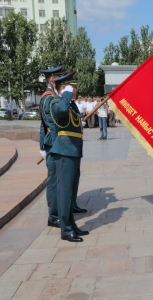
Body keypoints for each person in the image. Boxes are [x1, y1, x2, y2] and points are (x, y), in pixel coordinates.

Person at [49, 71, 89, 242]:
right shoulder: (56, 101)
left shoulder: (70, 104)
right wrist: (65, 94)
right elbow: (60, 112)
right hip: (64, 152)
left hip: (73, 151)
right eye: (72, 88)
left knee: (71, 192)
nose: (75, 91)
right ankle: (65, 230)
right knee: (64, 192)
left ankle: (71, 225)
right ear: (64, 88)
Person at [38, 65, 65, 229]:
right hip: (53, 143)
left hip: (56, 142)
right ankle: (53, 215)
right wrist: (42, 146)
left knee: (58, 178)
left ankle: (59, 210)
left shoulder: (53, 97)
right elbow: (50, 124)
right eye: (59, 80)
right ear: (53, 80)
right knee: (54, 180)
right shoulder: (48, 98)